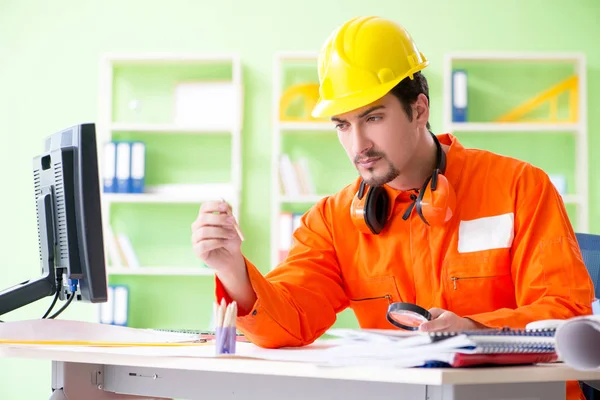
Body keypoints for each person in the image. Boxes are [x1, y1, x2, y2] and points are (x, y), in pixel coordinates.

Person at [191, 16, 593, 400]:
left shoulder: (520, 188)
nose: (357, 144)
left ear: (419, 110)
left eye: (374, 117)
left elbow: (565, 313)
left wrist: (474, 329)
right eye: (343, 125)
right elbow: (288, 323)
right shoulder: (332, 221)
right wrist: (231, 267)